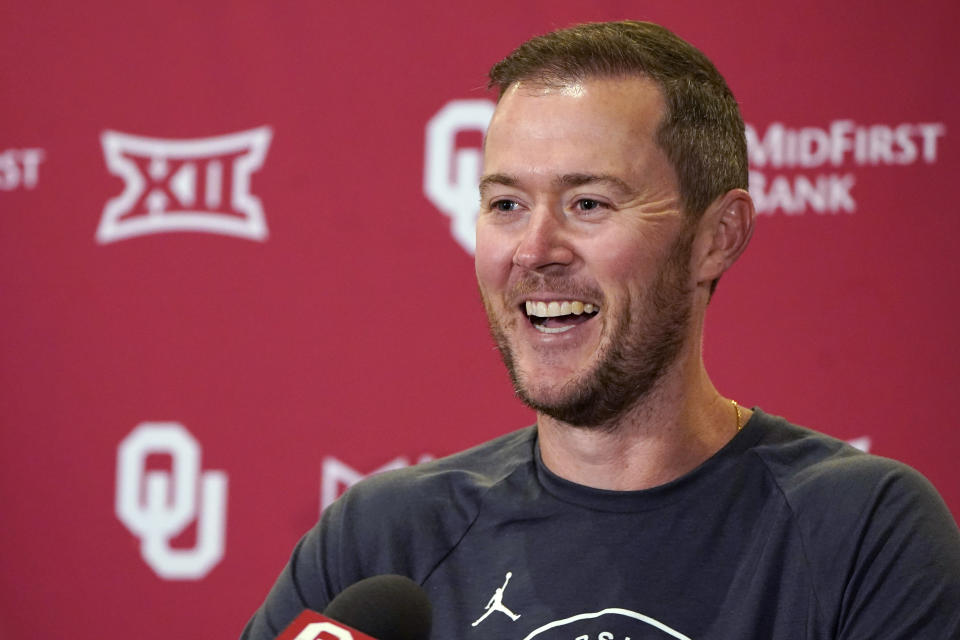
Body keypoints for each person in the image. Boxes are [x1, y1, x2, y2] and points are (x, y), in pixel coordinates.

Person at [242, 21, 960, 639]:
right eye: (506, 204)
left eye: (588, 203)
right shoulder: (380, 541)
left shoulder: (863, 532)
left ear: (718, 237)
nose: (534, 249)